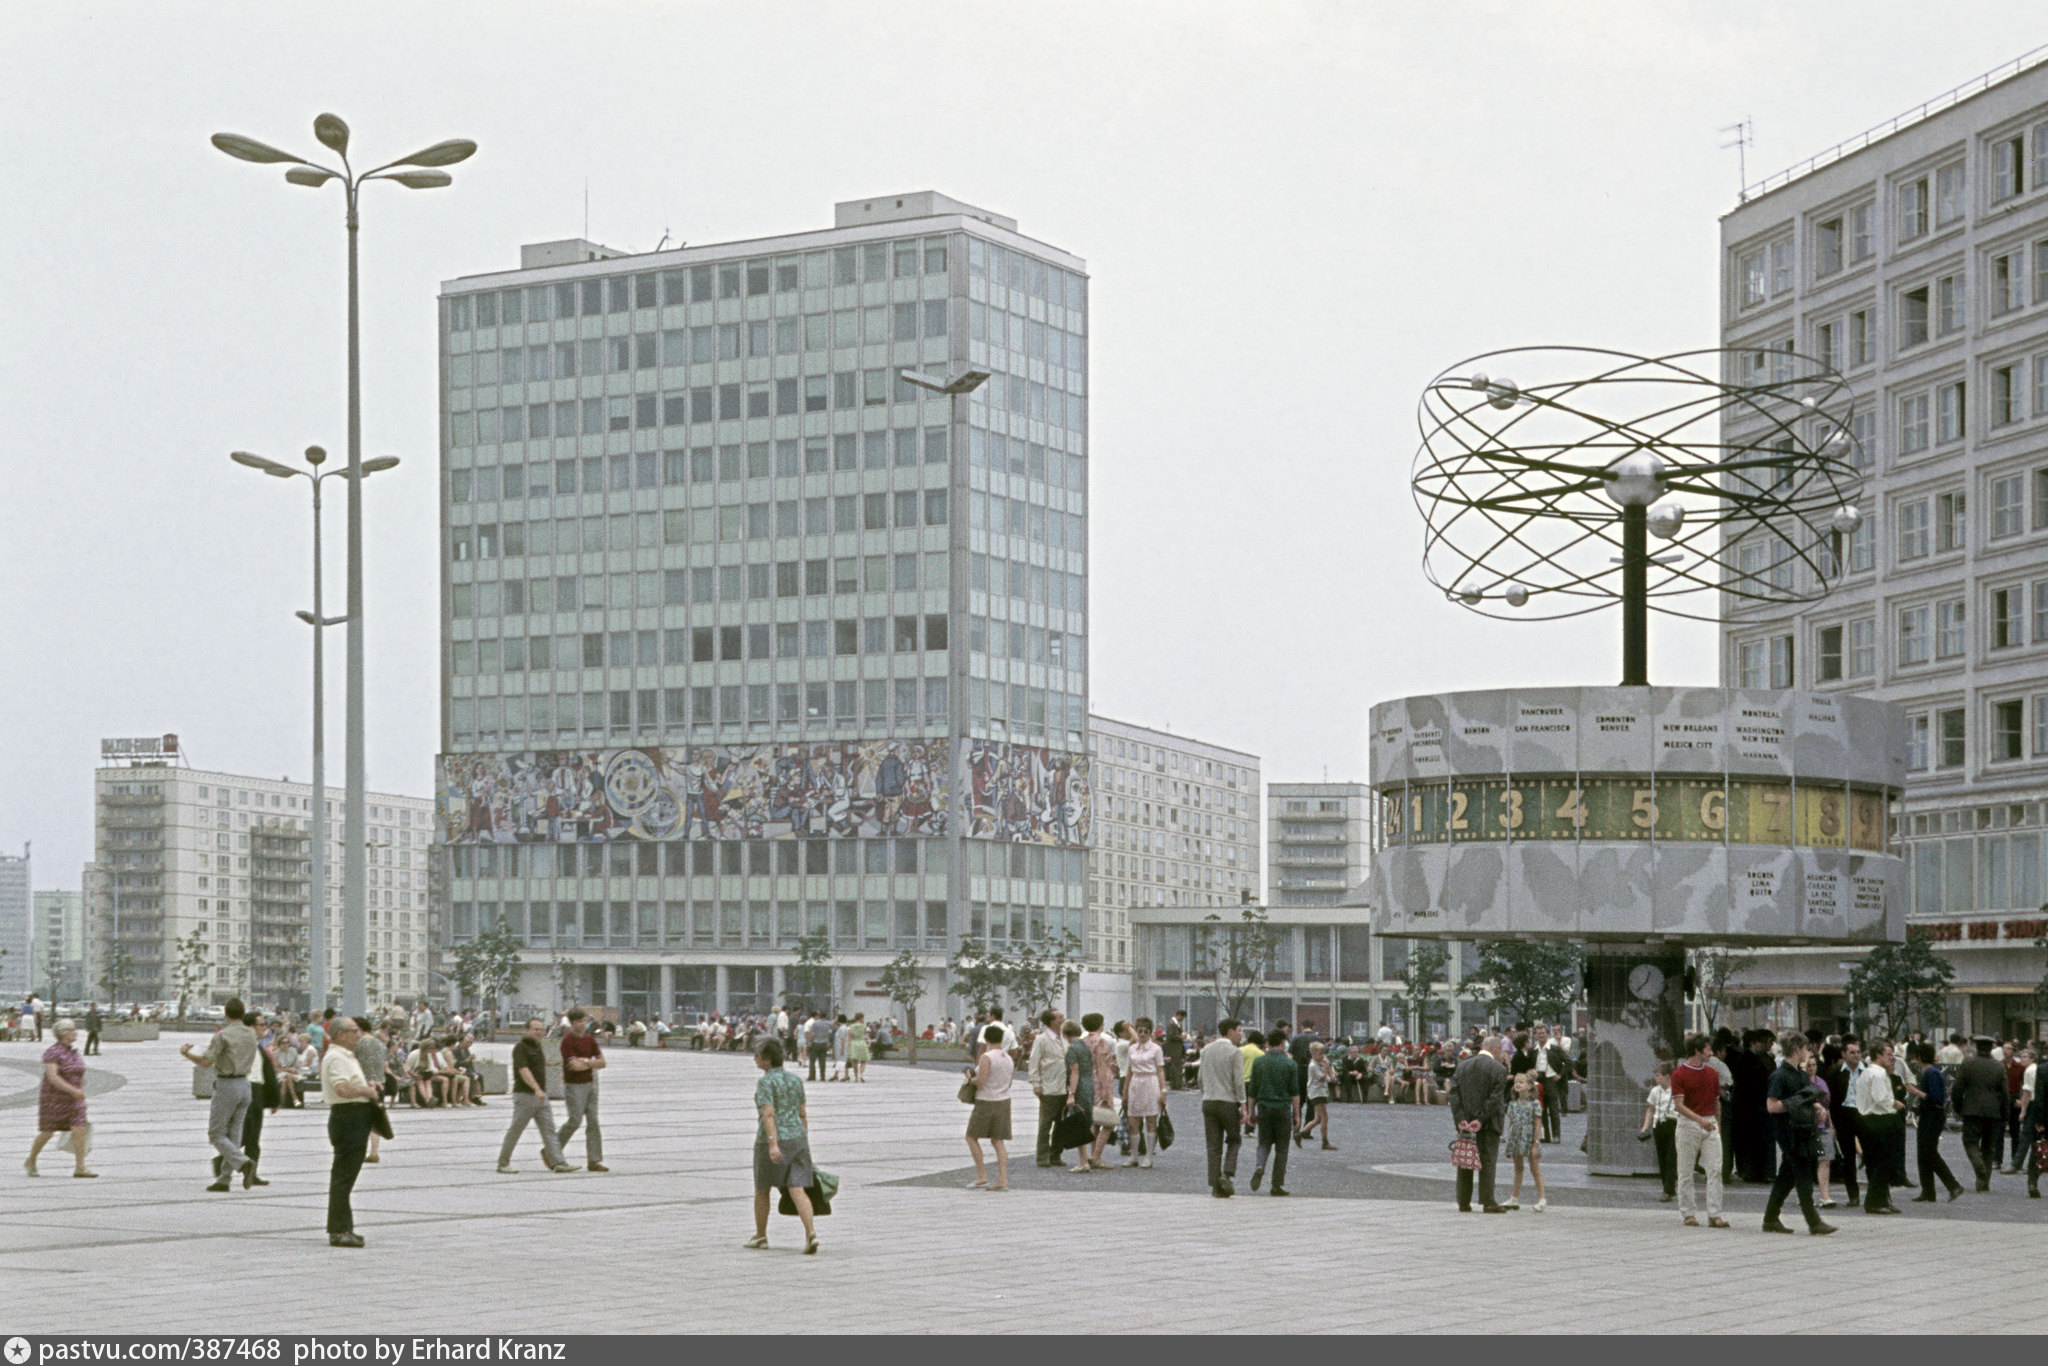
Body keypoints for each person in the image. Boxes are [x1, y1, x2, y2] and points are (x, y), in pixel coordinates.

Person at [746, 1038, 818, 1254]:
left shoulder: (766, 1082)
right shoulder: (796, 1080)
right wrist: (804, 1140)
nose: (755, 1059)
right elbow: (802, 1113)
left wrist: (773, 1145)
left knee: (762, 1188)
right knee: (797, 1187)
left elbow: (768, 1114)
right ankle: (810, 1232)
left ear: (766, 1060)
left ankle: (761, 1235)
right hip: (797, 1137)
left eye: (757, 1055)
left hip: (772, 1139)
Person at [1761, 1032, 1836, 1235]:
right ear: (1796, 1049)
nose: (1807, 1052)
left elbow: (1807, 1096)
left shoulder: (1799, 1074)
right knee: (1802, 1173)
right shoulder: (1780, 1075)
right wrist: (1793, 1105)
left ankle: (1770, 1218)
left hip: (1802, 1130)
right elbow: (1771, 1106)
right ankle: (1813, 1221)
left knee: (1787, 1175)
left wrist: (1818, 1109)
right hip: (1788, 1131)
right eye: (1805, 1048)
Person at [180, 996, 258, 1192]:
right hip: (245, 1085)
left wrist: (187, 1054)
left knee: (216, 1133)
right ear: (243, 1013)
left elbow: (207, 1062)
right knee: (234, 1134)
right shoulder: (251, 1034)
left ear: (226, 1014)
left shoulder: (223, 1036)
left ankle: (243, 1163)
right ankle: (224, 1178)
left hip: (227, 1085)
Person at [319, 1016, 380, 1248]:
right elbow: (342, 1088)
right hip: (348, 1118)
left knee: (345, 1177)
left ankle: (345, 1227)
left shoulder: (345, 1056)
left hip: (355, 1116)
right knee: (343, 1177)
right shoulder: (336, 1057)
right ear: (341, 1035)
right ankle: (338, 1230)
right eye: (354, 1031)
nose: (359, 1035)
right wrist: (368, 1091)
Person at [497, 1017, 572, 1174]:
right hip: (525, 1096)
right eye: (535, 1029)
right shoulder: (521, 1047)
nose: (539, 1032)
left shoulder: (538, 1047)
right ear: (527, 1030)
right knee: (516, 1130)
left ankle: (559, 1162)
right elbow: (523, 1070)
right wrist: (536, 1088)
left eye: (541, 1029)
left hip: (541, 1097)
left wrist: (542, 1091)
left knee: (549, 1131)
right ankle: (503, 1163)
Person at [1670, 1033, 1727, 1229]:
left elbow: (1716, 1102)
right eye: (1708, 1049)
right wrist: (1701, 1120)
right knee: (1685, 1171)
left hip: (1709, 1123)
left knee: (1715, 1170)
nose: (1711, 1052)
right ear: (1697, 1050)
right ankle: (1688, 1213)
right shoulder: (1679, 1074)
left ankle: (1714, 1213)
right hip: (1689, 1124)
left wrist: (1716, 1125)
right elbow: (1679, 1105)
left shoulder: (1712, 1073)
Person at [1449, 1036, 1510, 1213]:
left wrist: (1461, 1118)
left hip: (1464, 1122)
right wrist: (1481, 1119)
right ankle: (1487, 1200)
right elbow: (1494, 1099)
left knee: (1465, 1159)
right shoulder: (1498, 1069)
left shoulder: (1463, 1066)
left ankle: (1463, 1201)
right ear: (1496, 1049)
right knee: (1488, 1160)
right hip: (1489, 1123)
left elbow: (1453, 1094)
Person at [26, 1018, 93, 1178]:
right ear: (63, 1033)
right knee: (48, 1132)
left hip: (74, 1099)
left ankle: (80, 1167)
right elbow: (53, 1077)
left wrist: (81, 1097)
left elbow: (78, 1075)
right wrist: (72, 1090)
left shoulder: (73, 1052)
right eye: (71, 1030)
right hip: (54, 1099)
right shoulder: (53, 1052)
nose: (75, 1032)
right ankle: (31, 1159)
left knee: (79, 1129)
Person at [1855, 1039, 1907, 1215]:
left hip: (1865, 1119)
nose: (1891, 1058)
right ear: (1878, 1055)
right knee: (1885, 1162)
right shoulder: (1878, 1074)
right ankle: (1874, 1201)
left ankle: (1883, 1199)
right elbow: (1880, 1098)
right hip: (1879, 1119)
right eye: (1888, 1055)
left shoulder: (1866, 1072)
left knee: (1875, 1162)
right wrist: (1895, 1104)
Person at [1199, 1019, 1250, 1197]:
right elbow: (1238, 1081)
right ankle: (1227, 1174)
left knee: (1213, 1145)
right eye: (1238, 1030)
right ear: (1229, 1031)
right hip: (1227, 1102)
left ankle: (1214, 1183)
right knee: (1234, 1139)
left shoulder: (1206, 1050)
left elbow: (1200, 1078)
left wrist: (1205, 1093)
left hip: (1209, 1101)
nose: (1240, 1034)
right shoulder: (1234, 1052)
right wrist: (1243, 1106)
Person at [1910, 1041, 1965, 1203]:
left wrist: (1916, 1092)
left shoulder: (1932, 1073)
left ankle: (1953, 1185)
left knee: (1929, 1152)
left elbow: (1936, 1098)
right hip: (1928, 1114)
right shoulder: (1930, 1072)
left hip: (1933, 1115)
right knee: (1923, 1153)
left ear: (1920, 1057)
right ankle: (1928, 1191)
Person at [1955, 1036, 2010, 1193]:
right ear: (1991, 1048)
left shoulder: (1968, 1064)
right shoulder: (1999, 1067)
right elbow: (2005, 1093)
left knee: (1970, 1142)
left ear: (1977, 1047)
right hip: (1993, 1112)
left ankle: (1980, 1168)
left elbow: (1958, 1088)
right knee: (1989, 1147)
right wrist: (2005, 1114)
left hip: (1972, 1110)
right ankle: (1983, 1182)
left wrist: (1959, 1108)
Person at [1248, 1030, 1299, 1196]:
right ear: (1283, 1043)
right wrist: (1297, 1114)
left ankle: (1260, 1165)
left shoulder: (1258, 1062)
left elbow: (1252, 1090)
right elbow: (1295, 1092)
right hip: (1283, 1107)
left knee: (1263, 1143)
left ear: (1267, 1043)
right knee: (1282, 1148)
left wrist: (1251, 1112)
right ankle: (1277, 1185)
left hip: (1263, 1107)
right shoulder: (1290, 1064)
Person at [557, 1007, 608, 1172]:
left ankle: (594, 1160)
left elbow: (602, 1063)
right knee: (575, 1120)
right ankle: (552, 1150)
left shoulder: (590, 1040)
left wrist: (584, 1061)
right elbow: (573, 1066)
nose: (582, 1025)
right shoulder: (567, 1041)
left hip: (591, 1084)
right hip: (574, 1086)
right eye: (579, 1021)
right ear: (572, 1023)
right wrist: (590, 1063)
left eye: (584, 1021)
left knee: (593, 1121)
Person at [965, 1023, 1013, 1190]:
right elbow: (1010, 1082)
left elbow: (981, 1081)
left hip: (986, 1101)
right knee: (998, 1141)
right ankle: (1002, 1179)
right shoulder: (1008, 1058)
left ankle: (982, 1175)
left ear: (986, 1039)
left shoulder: (987, 1057)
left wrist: (970, 1079)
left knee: (971, 1136)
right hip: (1004, 1101)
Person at [1028, 1008, 1070, 1169]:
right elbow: (1034, 1062)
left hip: (1063, 1087)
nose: (1063, 1019)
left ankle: (1056, 1154)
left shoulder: (1064, 1038)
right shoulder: (1042, 1039)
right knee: (1045, 1123)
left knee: (1061, 1123)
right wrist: (1036, 1083)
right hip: (1048, 1086)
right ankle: (1042, 1156)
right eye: (1060, 1017)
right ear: (1052, 1021)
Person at [1124, 1018, 1164, 1168]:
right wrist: (1125, 1091)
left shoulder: (1156, 1049)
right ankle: (1134, 1155)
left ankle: (1148, 1156)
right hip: (1135, 1082)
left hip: (1150, 1082)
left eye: (1145, 1031)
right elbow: (1129, 1070)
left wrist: (1163, 1090)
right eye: (1139, 1031)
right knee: (1133, 1121)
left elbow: (1160, 1070)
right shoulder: (1132, 1048)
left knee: (1151, 1120)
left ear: (1150, 1032)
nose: (1142, 1034)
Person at [1503, 1072, 1545, 1212]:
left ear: (1529, 1085)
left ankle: (1542, 1198)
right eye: (1516, 1082)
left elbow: (1538, 1123)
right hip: (1516, 1137)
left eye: (1521, 1082)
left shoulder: (1534, 1104)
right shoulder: (1513, 1104)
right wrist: (1508, 1140)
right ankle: (1514, 1198)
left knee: (1535, 1168)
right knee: (1518, 1168)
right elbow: (1511, 1122)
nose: (1518, 1084)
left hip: (1529, 1137)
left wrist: (1535, 1142)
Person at [1081, 1013, 1118, 1170]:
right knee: (1108, 1121)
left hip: (1087, 1083)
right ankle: (1097, 1156)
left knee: (1094, 1121)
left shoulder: (1083, 1042)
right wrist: (1107, 1091)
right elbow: (1102, 1067)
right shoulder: (1100, 1042)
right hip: (1100, 1084)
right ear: (1100, 1024)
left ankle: (1092, 1154)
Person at [352, 1016, 390, 1164]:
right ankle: (374, 1152)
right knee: (375, 1119)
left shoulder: (359, 1043)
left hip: (363, 1084)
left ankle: (359, 1151)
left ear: (359, 1029)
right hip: (380, 1084)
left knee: (359, 1120)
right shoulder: (380, 1044)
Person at [1643, 1060, 1677, 1203]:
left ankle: (1667, 1190)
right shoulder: (1655, 1091)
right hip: (1659, 1125)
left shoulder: (1676, 1090)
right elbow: (1651, 1109)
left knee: (1671, 1157)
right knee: (1662, 1158)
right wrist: (1645, 1127)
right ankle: (1668, 1186)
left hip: (1673, 1123)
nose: (1656, 1078)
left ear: (1667, 1076)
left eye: (1658, 1075)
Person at [1302, 1041, 1337, 1149]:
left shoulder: (1320, 1063)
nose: (1322, 1056)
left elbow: (1331, 1078)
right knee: (1324, 1117)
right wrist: (1326, 1069)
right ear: (1313, 1054)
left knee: (1318, 1118)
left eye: (1323, 1054)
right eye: (1320, 1054)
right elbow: (1322, 1078)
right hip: (1316, 1092)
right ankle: (1325, 1142)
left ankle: (1302, 1133)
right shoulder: (1313, 1065)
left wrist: (1328, 1067)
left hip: (1321, 1092)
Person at [1163, 1010, 1188, 1091]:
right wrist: (1181, 1037)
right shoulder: (1172, 1024)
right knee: (1177, 1066)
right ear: (1179, 1015)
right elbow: (1171, 1036)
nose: (1182, 1020)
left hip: (1174, 1048)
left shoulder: (1174, 1024)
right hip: (1174, 1048)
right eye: (1182, 1018)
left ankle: (1174, 1084)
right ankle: (1178, 1085)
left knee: (1174, 1066)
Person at [805, 1011, 832, 1081]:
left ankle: (812, 1076)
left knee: (812, 1061)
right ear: (826, 1016)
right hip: (824, 1044)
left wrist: (809, 1042)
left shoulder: (815, 1023)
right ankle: (822, 1076)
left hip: (815, 1043)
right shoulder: (828, 1023)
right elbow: (830, 1032)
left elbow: (811, 1033)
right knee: (822, 1061)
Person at [847, 1012, 870, 1082]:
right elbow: (866, 1034)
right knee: (863, 1060)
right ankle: (861, 1074)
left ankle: (856, 1077)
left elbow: (850, 1037)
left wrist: (849, 1047)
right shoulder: (863, 1026)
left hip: (854, 1043)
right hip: (862, 1043)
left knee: (855, 1062)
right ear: (860, 1018)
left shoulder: (851, 1026)